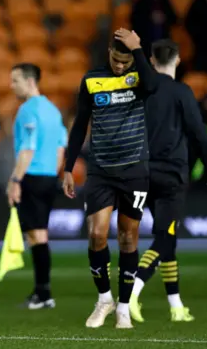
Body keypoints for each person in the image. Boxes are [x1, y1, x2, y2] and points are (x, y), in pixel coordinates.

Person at [112, 36, 207, 323]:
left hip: (142, 172)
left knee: (168, 237)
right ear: (179, 60)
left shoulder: (140, 90)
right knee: (163, 237)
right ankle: (132, 292)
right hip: (171, 175)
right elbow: (199, 135)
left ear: (151, 61)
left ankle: (176, 306)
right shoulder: (182, 92)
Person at [62, 31, 157, 329]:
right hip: (101, 170)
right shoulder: (91, 80)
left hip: (134, 169)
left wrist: (137, 50)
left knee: (128, 237)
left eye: (124, 61)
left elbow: (154, 85)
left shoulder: (140, 78)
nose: (119, 66)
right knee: (97, 234)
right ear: (108, 53)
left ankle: (124, 307)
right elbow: (80, 125)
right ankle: (104, 299)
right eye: (115, 60)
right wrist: (68, 167)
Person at [7, 63, 67, 310]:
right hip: (49, 176)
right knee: (40, 234)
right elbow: (61, 146)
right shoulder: (53, 110)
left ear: (29, 81)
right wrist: (53, 173)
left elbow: (28, 147)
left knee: (36, 236)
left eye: (15, 80)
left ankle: (43, 293)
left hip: (31, 176)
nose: (11, 86)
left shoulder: (27, 110)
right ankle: (43, 292)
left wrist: (15, 180)